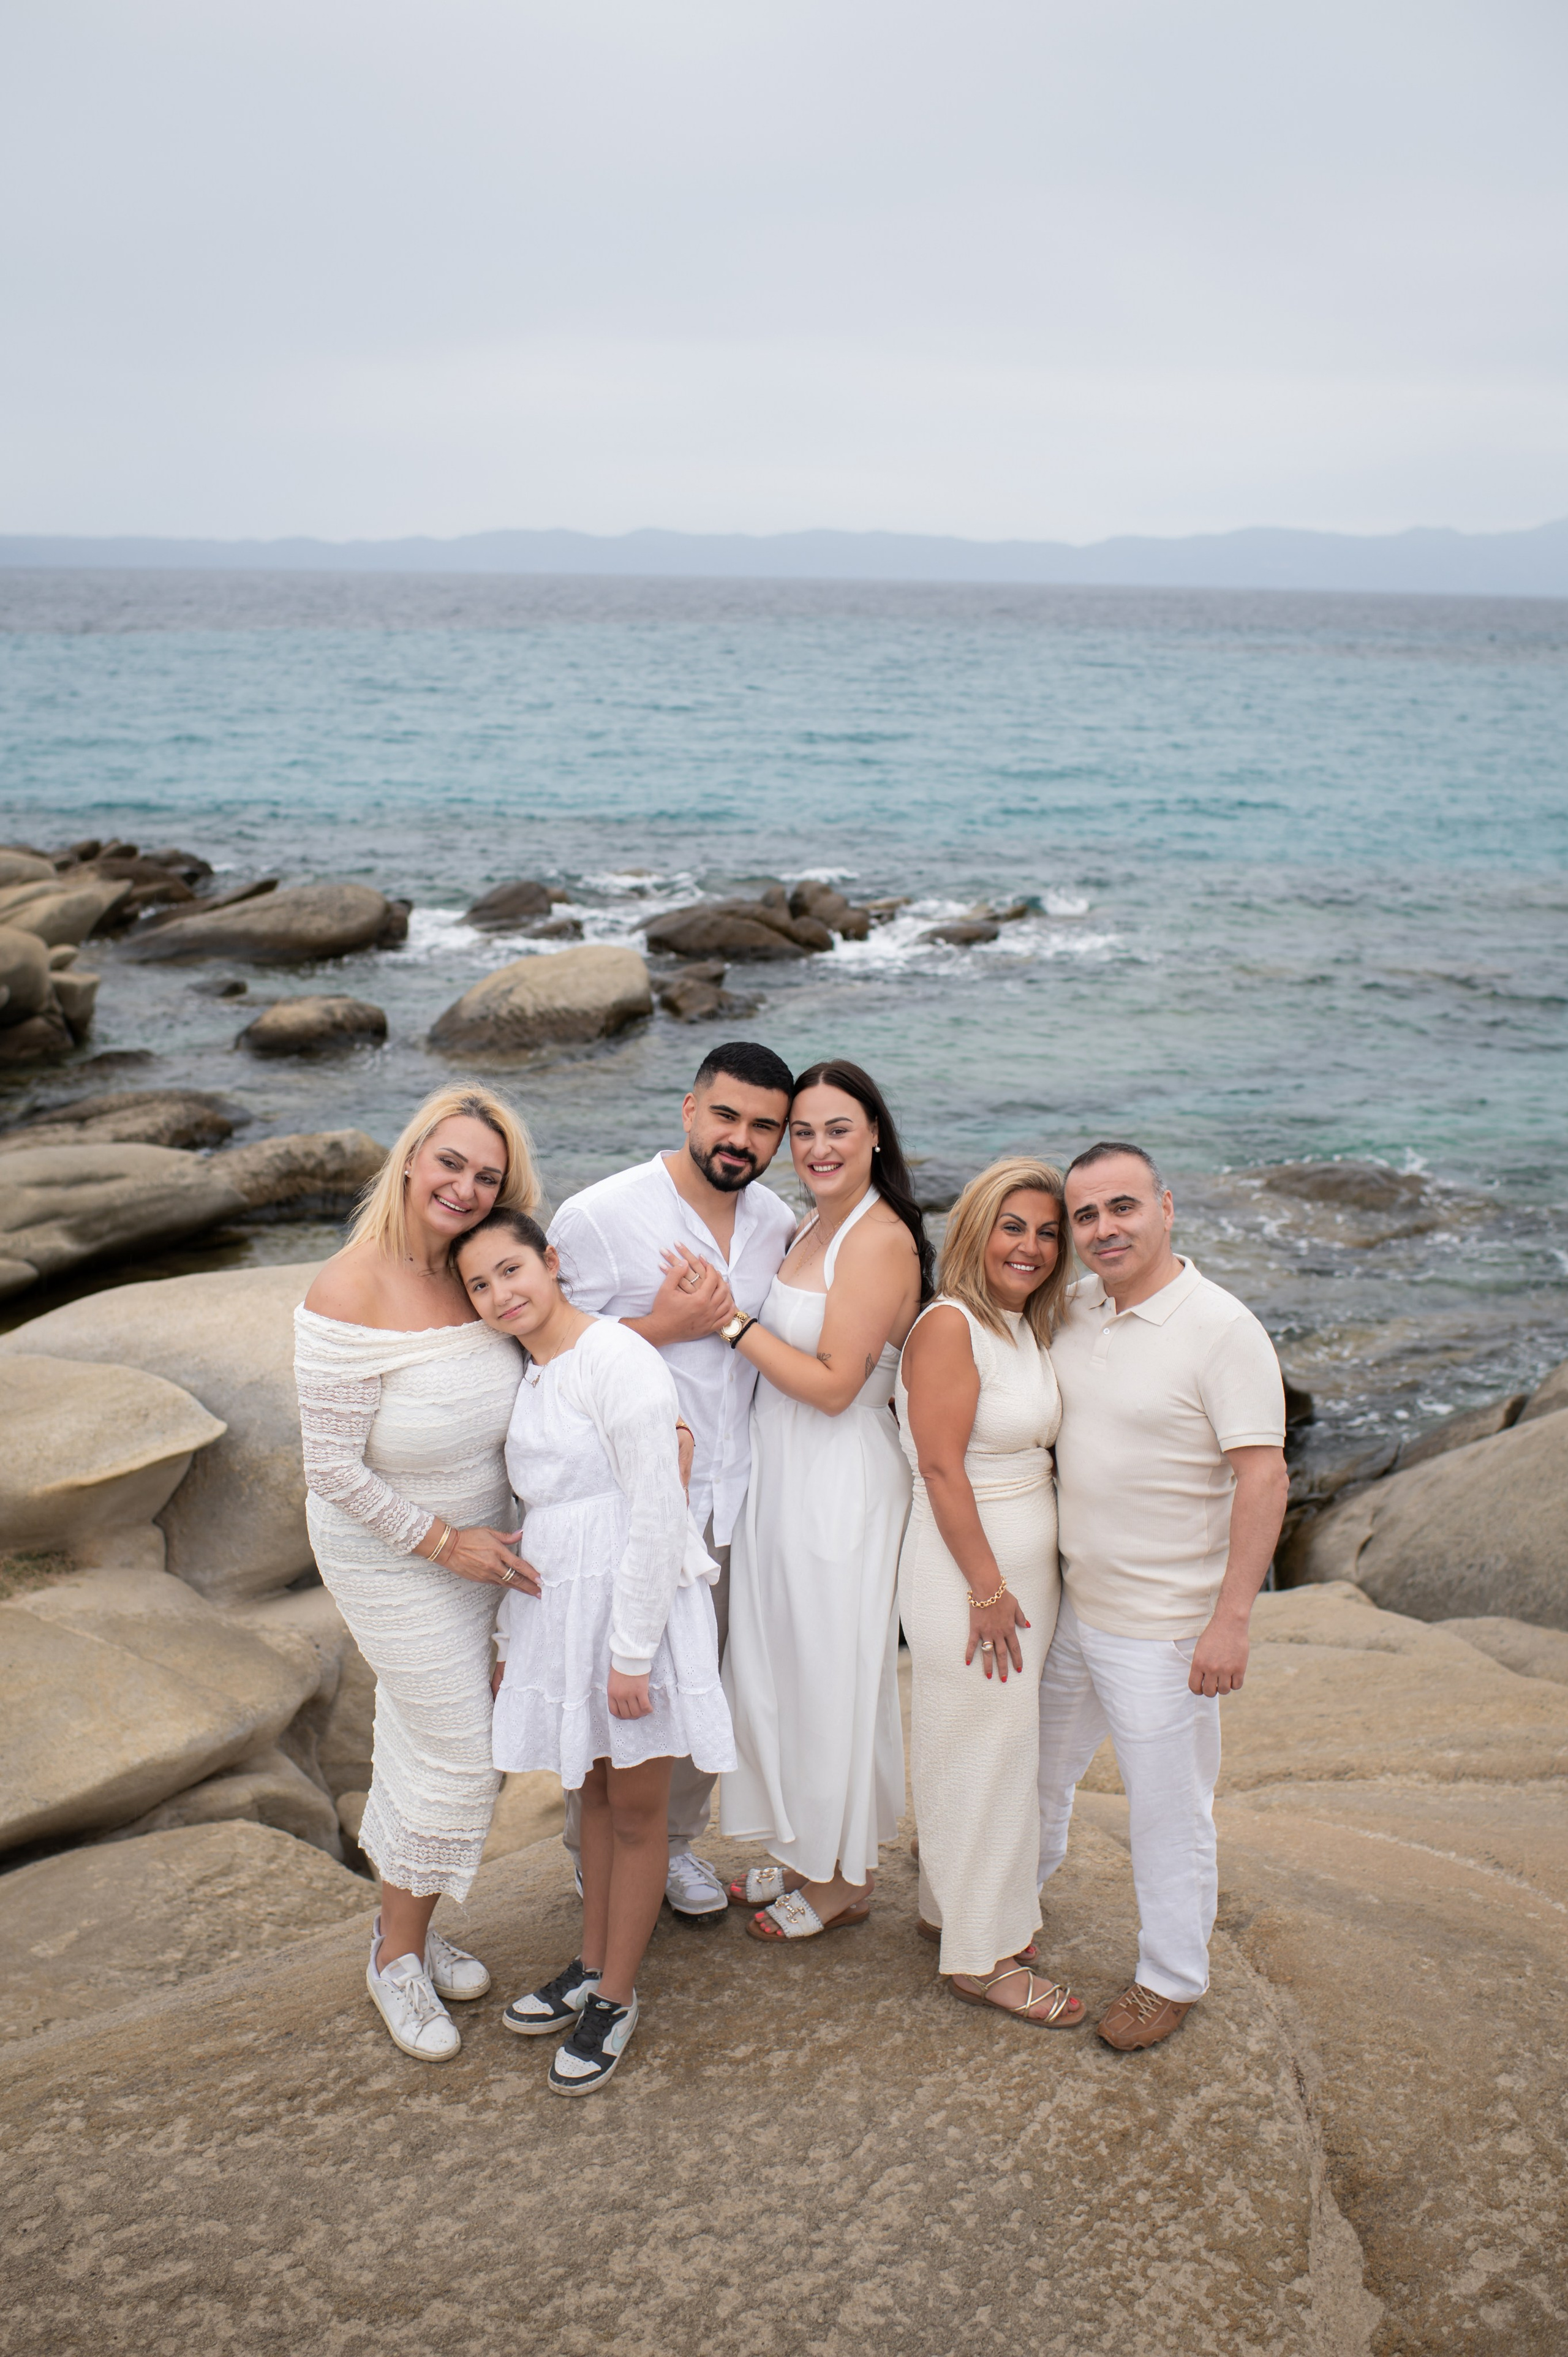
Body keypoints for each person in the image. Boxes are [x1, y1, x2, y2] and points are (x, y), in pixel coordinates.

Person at [454, 1208, 733, 2096]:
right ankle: (588, 1962)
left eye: (511, 1270)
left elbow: (657, 1507)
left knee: (639, 1808)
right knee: (594, 1798)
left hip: (628, 1608)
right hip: (562, 1612)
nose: (500, 1294)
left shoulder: (616, 1356)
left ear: (552, 1261)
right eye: (479, 1285)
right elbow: (540, 1514)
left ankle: (617, 1993)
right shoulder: (536, 1373)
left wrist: (633, 1654)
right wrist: (513, 1637)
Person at [295, 1083, 540, 2065]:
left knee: (420, 1735)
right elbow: (330, 1470)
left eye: (488, 1175)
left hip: (485, 1546)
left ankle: (413, 1929)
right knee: (460, 1746)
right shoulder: (347, 1289)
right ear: (410, 1160)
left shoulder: (483, 1272)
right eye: (452, 1163)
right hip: (392, 1550)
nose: (467, 1187)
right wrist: (445, 1543)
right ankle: (395, 1957)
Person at [1039, 1142, 1289, 2051]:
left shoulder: (1222, 1328)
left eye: (1122, 1208)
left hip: (1169, 1629)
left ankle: (1171, 1976)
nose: (1103, 1229)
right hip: (1074, 1606)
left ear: (1166, 1207)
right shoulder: (1073, 1308)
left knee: (1168, 1808)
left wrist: (1231, 1623)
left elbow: (1263, 1477)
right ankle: (1010, 1914)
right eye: (1086, 1216)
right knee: (1038, 1774)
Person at [546, 1041, 796, 1923]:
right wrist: (668, 1324)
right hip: (636, 1504)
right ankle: (594, 1857)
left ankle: (677, 1846)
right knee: (628, 1689)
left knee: (704, 1684)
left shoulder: (776, 1222)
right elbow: (546, 1355)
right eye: (726, 1116)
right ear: (689, 1110)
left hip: (737, 1497)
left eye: (764, 1126)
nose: (741, 1138)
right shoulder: (598, 1216)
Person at [721, 1060, 929, 1941]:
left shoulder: (879, 1238)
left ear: (874, 1133)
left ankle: (847, 1875)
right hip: (783, 1471)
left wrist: (728, 1326)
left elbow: (841, 1383)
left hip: (840, 1477)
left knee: (833, 1671)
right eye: (800, 1132)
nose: (815, 1147)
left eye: (836, 1129)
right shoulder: (810, 1226)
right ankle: (810, 1849)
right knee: (782, 1667)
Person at [895, 1158, 1084, 2027]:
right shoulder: (949, 1325)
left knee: (989, 1746)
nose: (1033, 1247)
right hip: (968, 1573)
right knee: (982, 1753)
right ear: (975, 1229)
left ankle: (959, 1911)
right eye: (1014, 1226)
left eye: (1049, 1231)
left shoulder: (1019, 1324)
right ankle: (981, 1960)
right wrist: (985, 1588)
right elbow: (939, 1466)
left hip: (1012, 1572)